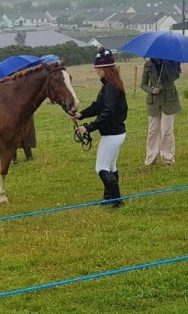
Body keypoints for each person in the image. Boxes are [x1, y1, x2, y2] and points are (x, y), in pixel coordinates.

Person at [75, 48, 128, 208]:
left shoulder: (110, 87)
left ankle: (117, 201)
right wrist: (81, 115)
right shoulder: (110, 85)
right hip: (117, 133)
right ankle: (108, 198)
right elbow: (99, 106)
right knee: (111, 167)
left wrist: (88, 128)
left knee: (101, 168)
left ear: (104, 69)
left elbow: (108, 112)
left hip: (112, 134)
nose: (95, 71)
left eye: (97, 68)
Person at [141, 57, 180, 167]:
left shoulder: (172, 61)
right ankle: (150, 159)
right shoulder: (148, 65)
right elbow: (143, 84)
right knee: (153, 131)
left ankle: (168, 159)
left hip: (169, 101)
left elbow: (174, 77)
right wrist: (152, 90)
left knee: (166, 131)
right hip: (153, 103)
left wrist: (168, 65)